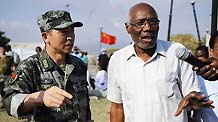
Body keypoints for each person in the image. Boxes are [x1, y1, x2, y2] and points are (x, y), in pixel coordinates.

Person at [107, 3, 213, 122]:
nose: (148, 28)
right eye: (140, 23)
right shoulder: (118, 60)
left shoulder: (176, 52)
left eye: (153, 22)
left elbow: (191, 94)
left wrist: (194, 100)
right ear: (127, 28)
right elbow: (117, 108)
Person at [3, 10, 92, 122]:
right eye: (64, 32)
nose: (70, 37)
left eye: (72, 31)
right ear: (45, 37)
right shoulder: (31, 66)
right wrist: (40, 97)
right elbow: (9, 101)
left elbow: (84, 104)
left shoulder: (78, 65)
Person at [0, 42, 14, 108]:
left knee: (7, 90)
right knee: (1, 90)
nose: (2, 50)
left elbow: (13, 67)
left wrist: (13, 75)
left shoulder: (9, 58)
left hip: (7, 76)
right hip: (0, 76)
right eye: (0, 49)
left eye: (3, 49)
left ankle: (7, 103)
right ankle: (2, 102)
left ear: (5, 50)